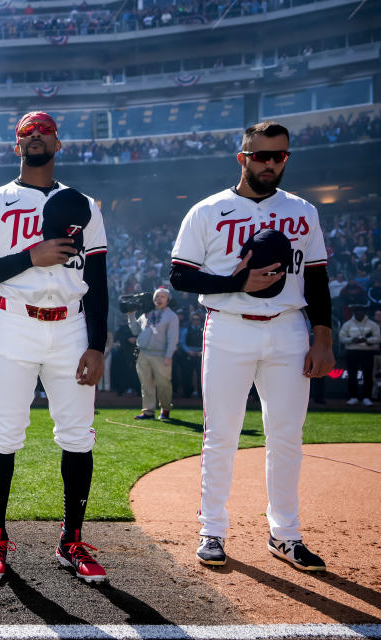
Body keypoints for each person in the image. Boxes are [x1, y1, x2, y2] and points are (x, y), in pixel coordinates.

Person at [170, 121, 334, 571]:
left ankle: (286, 535)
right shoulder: (207, 210)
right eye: (261, 155)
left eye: (279, 155)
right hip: (228, 326)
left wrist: (322, 336)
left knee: (287, 437)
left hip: (288, 328)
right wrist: (235, 281)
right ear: (243, 158)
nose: (270, 163)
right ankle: (213, 531)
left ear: (286, 159)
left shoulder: (303, 211)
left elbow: (317, 277)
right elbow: (180, 275)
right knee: (221, 434)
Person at [0, 111, 109, 583]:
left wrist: (98, 345)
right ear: (15, 145)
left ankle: (72, 540)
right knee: (5, 434)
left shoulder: (85, 206)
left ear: (58, 143)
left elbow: (99, 280)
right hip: (16, 324)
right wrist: (30, 256)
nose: (36, 137)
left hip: (71, 327)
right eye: (27, 133)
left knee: (78, 435)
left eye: (44, 131)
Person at [128, 288, 179, 420]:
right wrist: (131, 315)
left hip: (161, 354)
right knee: (146, 384)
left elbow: (173, 338)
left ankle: (165, 409)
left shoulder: (171, 316)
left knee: (164, 384)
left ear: (168, 300)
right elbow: (135, 331)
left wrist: (169, 355)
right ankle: (148, 412)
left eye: (162, 296)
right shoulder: (146, 314)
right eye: (157, 296)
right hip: (143, 353)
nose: (159, 299)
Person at [339, 305, 380, 406]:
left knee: (368, 376)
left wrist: (366, 340)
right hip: (352, 352)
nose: (359, 313)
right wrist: (352, 340)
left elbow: (378, 338)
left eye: (361, 311)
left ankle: (367, 397)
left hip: (367, 352)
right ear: (354, 312)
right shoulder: (347, 324)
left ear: (365, 312)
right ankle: (353, 397)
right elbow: (342, 338)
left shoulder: (372, 324)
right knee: (352, 375)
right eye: (357, 311)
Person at [176, 310, 204, 398]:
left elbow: (207, 342)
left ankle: (201, 394)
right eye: (194, 319)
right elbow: (182, 342)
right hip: (189, 353)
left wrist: (202, 352)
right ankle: (187, 393)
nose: (196, 321)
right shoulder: (186, 329)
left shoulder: (204, 329)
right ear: (191, 320)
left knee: (201, 375)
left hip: (200, 353)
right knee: (187, 374)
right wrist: (188, 351)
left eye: (198, 319)